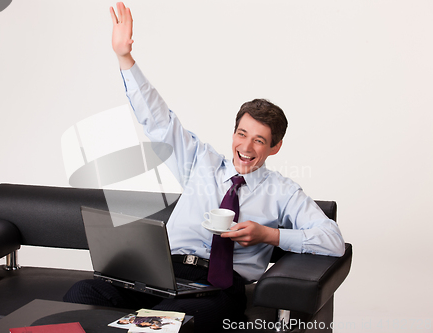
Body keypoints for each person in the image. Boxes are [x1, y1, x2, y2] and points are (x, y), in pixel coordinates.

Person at [64, 3, 345, 332]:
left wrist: (268, 235)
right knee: (79, 294)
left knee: (155, 326)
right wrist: (125, 58)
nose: (246, 147)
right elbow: (158, 121)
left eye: (259, 140)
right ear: (233, 133)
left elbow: (332, 240)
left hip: (218, 288)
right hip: (162, 274)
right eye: (242, 134)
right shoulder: (200, 161)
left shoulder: (283, 192)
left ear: (275, 147)